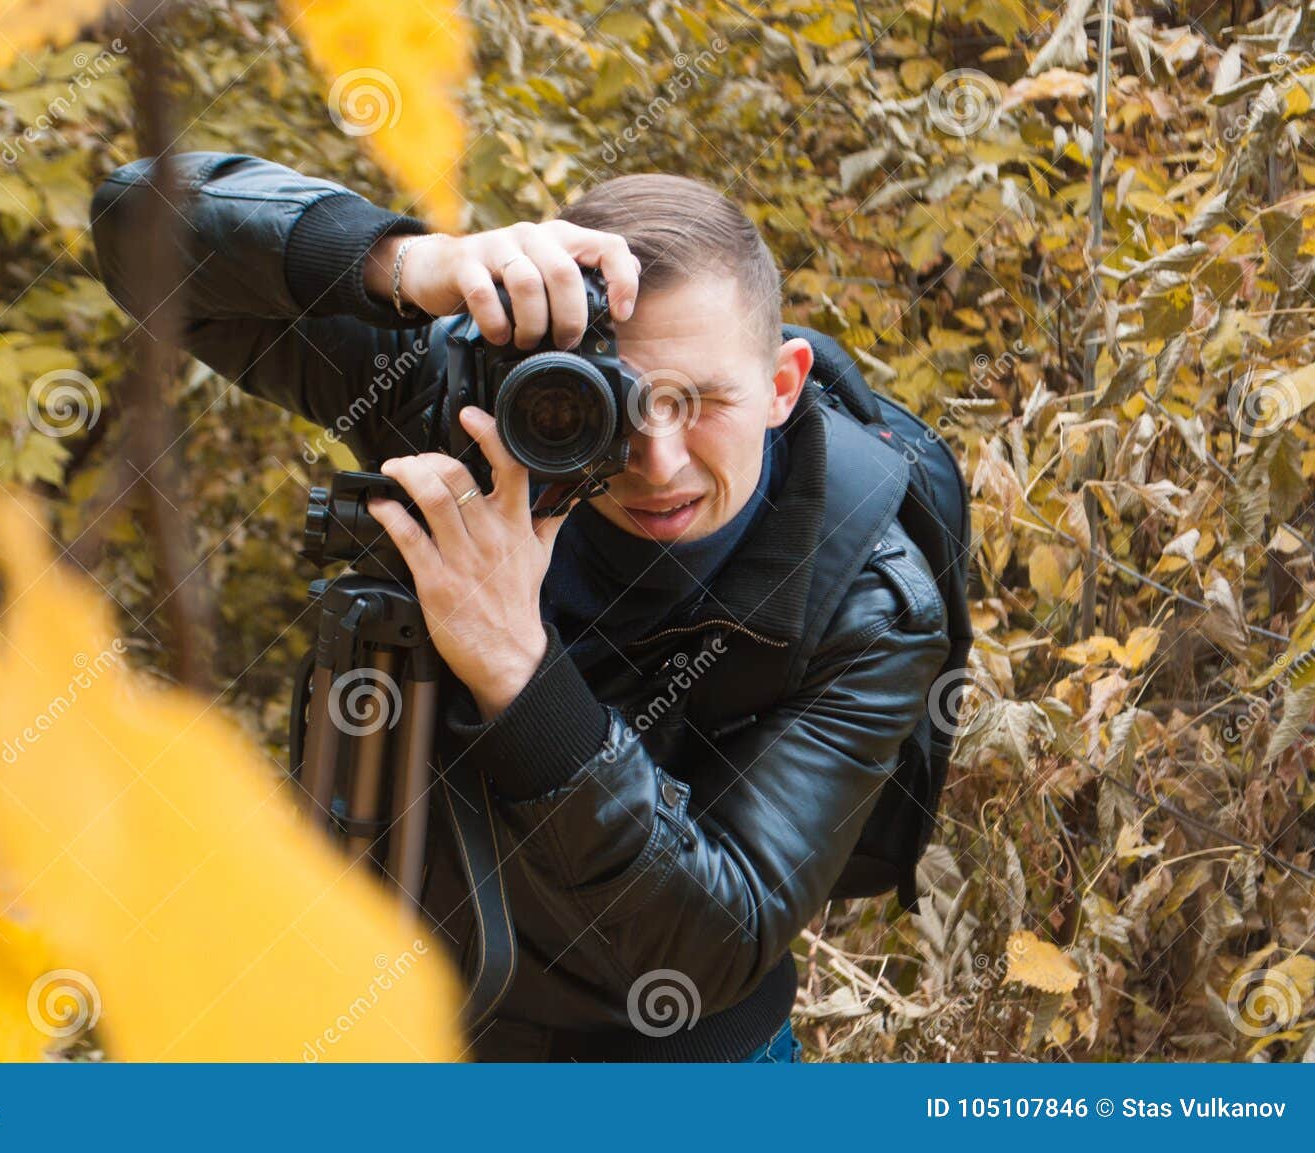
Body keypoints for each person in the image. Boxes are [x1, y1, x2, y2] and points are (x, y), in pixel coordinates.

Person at [91, 153, 951, 1061]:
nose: (657, 464)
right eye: (608, 404)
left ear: (782, 385)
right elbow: (131, 225)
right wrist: (408, 264)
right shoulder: (467, 408)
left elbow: (714, 945)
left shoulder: (870, 600)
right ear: (539, 370)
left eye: (700, 402)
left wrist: (517, 668)